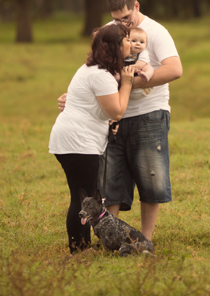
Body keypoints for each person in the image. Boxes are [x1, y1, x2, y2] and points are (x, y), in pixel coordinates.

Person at [58, 0, 182, 242]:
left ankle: (145, 239)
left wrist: (128, 83)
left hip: (149, 114)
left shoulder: (156, 32)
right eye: (116, 19)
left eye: (126, 17)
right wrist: (75, 97)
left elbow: (175, 69)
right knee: (110, 180)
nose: (122, 23)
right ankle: (110, 238)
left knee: (151, 179)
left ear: (136, 6)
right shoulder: (110, 32)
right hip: (114, 117)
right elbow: (94, 69)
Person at [49, 23, 136, 254]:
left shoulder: (94, 69)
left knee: (83, 195)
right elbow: (116, 111)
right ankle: (79, 250)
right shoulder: (101, 76)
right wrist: (126, 84)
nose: (130, 43)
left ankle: (83, 247)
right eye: (126, 40)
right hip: (78, 143)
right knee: (82, 198)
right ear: (116, 47)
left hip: (73, 141)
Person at [124, 27, 154, 98]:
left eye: (141, 42)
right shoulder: (123, 51)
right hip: (126, 88)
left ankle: (147, 75)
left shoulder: (143, 53)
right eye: (134, 41)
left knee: (148, 67)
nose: (138, 44)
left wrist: (127, 70)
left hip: (142, 87)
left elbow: (140, 64)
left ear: (146, 45)